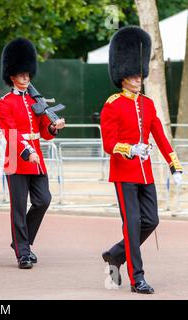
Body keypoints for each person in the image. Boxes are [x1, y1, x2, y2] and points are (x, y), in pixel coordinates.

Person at [100, 26, 183, 294]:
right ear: (122, 76)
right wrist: (130, 149)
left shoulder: (147, 104)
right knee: (133, 224)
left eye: (139, 74)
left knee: (151, 221)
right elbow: (108, 144)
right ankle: (138, 278)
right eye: (133, 75)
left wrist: (174, 164)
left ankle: (115, 254)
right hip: (124, 173)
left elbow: (159, 135)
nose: (138, 78)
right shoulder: (112, 105)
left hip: (145, 173)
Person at [0, 38, 65, 269]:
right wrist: (27, 152)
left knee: (43, 200)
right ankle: (23, 252)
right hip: (17, 159)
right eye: (21, 75)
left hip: (37, 158)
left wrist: (53, 127)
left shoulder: (37, 101)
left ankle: (21, 242)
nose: (26, 78)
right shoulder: (4, 103)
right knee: (18, 206)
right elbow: (10, 133)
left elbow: (44, 131)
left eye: (28, 74)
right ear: (12, 76)